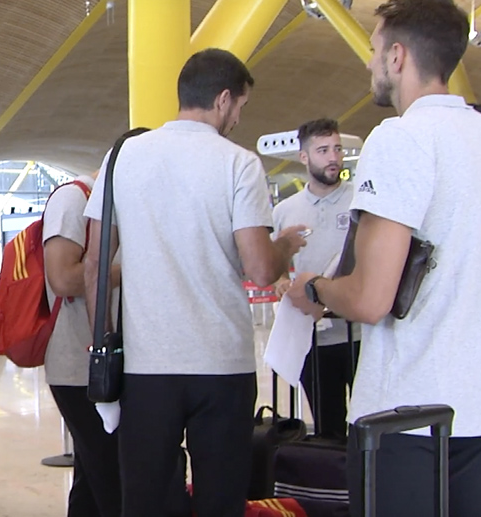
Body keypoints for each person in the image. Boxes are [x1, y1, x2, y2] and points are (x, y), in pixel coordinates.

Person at [82, 48, 307, 517]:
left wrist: (104, 341)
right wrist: (285, 245)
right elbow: (260, 269)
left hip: (146, 367)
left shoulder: (123, 156)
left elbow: (95, 264)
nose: (238, 118)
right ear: (223, 99)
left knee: (145, 501)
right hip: (221, 365)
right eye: (240, 106)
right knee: (220, 500)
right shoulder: (238, 163)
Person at [285, 1, 481, 515]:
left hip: (409, 420)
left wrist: (314, 288)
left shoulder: (401, 137)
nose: (370, 63)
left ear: (397, 56)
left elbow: (371, 298)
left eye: (374, 51)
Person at [272, 118, 360, 440]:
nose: (333, 157)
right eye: (323, 151)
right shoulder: (285, 211)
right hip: (313, 338)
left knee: (367, 423)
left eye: (337, 149)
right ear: (304, 157)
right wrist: (281, 281)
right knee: (328, 427)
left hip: (361, 334)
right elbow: (277, 266)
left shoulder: (360, 202)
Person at [42, 171, 123, 517]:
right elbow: (62, 278)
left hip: (107, 364)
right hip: (79, 367)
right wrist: (134, 267)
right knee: (112, 478)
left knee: (92, 480)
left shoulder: (120, 203)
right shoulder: (74, 199)